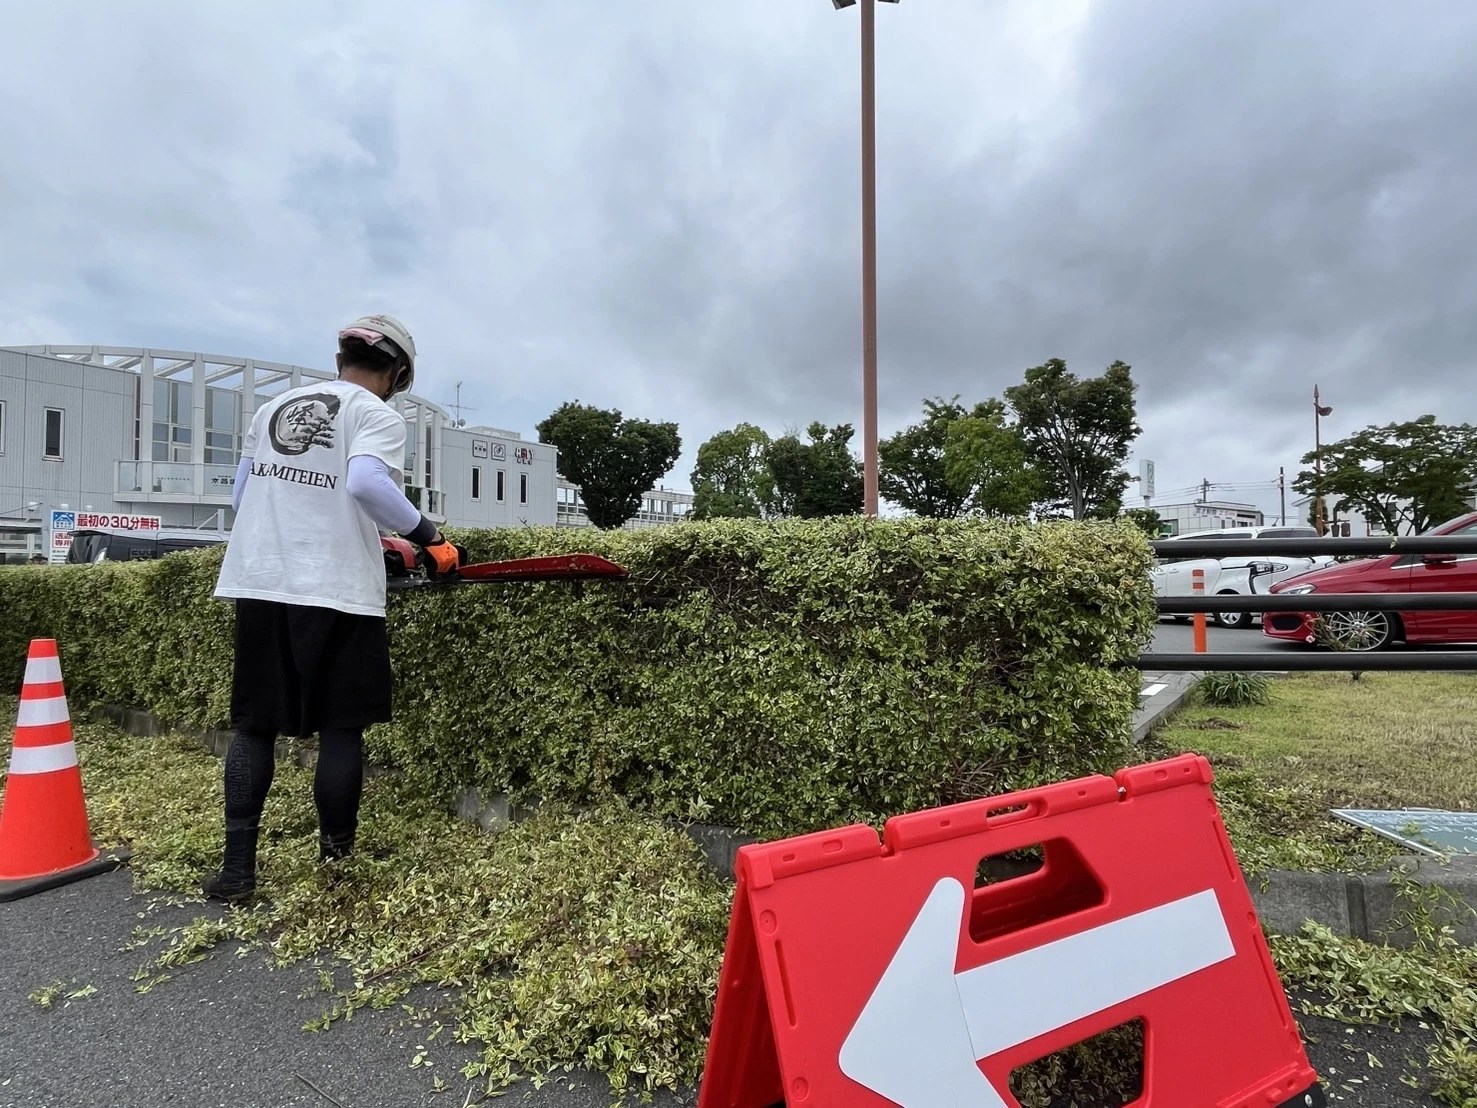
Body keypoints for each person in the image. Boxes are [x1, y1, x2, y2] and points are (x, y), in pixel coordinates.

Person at [203, 313, 462, 903]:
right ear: (398, 373)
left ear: (339, 360)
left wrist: (370, 535)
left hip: (261, 580)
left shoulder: (273, 409)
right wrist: (429, 536)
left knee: (255, 726)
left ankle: (237, 872)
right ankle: (336, 868)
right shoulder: (375, 413)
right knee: (341, 728)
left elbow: (245, 495)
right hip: (336, 591)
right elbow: (366, 485)